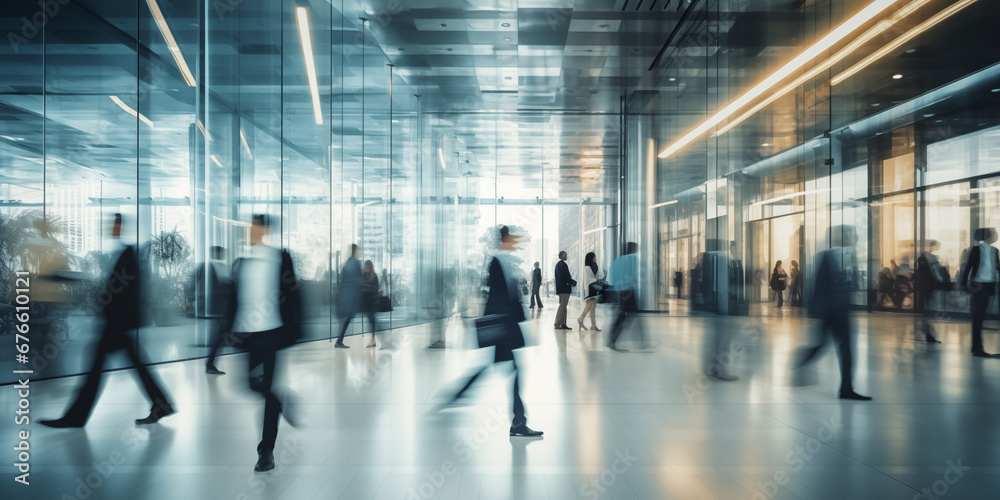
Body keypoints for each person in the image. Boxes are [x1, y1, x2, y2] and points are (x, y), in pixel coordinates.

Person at [40, 214, 176, 428]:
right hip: (117, 325)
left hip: (118, 324)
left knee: (99, 368)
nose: (110, 228)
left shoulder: (128, 253)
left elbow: (125, 291)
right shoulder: (121, 254)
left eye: (114, 224)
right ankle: (162, 405)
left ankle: (76, 417)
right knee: (130, 365)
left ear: (121, 227)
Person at [224, 214, 303, 471]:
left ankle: (266, 451)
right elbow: (235, 300)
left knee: (268, 390)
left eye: (256, 227)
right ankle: (280, 401)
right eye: (250, 227)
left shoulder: (280, 257)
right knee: (248, 383)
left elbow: (293, 294)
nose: (252, 231)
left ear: (265, 230)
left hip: (272, 332)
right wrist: (229, 331)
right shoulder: (243, 262)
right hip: (248, 334)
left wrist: (296, 329)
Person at [446, 226, 542, 437]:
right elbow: (499, 296)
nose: (515, 243)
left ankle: (457, 396)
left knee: (495, 369)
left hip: (504, 327)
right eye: (512, 240)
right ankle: (518, 423)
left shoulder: (502, 260)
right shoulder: (498, 261)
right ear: (505, 239)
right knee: (513, 371)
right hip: (504, 328)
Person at [793, 225, 872, 401]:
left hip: (842, 309)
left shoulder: (851, 256)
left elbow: (851, 282)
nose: (853, 237)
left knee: (846, 349)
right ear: (839, 237)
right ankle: (799, 362)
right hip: (828, 311)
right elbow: (818, 285)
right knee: (822, 345)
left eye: (853, 233)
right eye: (849, 234)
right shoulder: (826, 256)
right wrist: (814, 314)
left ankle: (846, 388)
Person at [959, 228, 1000, 357]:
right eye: (994, 234)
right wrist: (964, 284)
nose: (996, 236)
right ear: (987, 236)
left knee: (980, 315)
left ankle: (977, 347)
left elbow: (997, 267)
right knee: (978, 316)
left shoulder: (995, 251)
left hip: (990, 285)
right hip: (979, 285)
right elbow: (968, 266)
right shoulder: (976, 250)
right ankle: (977, 347)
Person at [202, 246, 233, 374]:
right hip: (219, 309)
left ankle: (210, 364)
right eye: (221, 252)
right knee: (219, 338)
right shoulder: (211, 267)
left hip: (223, 309)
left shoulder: (222, 267)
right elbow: (216, 288)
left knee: (220, 338)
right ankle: (210, 364)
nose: (223, 254)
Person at [607, 242, 643, 351]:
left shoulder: (617, 260)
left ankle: (613, 338)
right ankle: (614, 338)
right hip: (630, 291)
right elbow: (636, 276)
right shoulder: (633, 259)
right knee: (630, 315)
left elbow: (612, 276)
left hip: (620, 291)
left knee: (623, 315)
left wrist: (617, 289)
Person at [914, 246, 944, 344]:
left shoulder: (926, 264)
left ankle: (927, 334)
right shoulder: (924, 262)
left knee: (927, 314)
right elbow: (925, 278)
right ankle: (927, 334)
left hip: (928, 291)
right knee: (927, 313)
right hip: (926, 291)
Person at [335, 244, 363, 348]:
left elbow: (342, 281)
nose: (359, 252)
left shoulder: (346, 264)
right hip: (353, 296)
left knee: (346, 319)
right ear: (354, 251)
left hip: (346, 297)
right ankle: (339, 341)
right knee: (371, 316)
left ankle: (339, 340)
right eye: (358, 250)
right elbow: (359, 280)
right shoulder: (356, 263)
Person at [577, 252, 601, 331]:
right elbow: (589, 278)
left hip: (594, 286)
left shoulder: (594, 265)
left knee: (593, 306)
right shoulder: (587, 267)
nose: (595, 258)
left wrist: (600, 278)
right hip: (590, 287)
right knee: (590, 304)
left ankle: (593, 325)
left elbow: (597, 275)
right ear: (591, 257)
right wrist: (597, 280)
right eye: (594, 256)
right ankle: (581, 318)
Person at [361, 260, 381, 348]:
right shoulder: (364, 276)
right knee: (371, 321)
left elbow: (376, 289)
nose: (366, 269)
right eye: (365, 267)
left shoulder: (374, 276)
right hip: (366, 303)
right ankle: (373, 340)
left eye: (368, 267)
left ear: (371, 267)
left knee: (372, 321)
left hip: (372, 303)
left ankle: (373, 340)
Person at [553, 251, 575, 330]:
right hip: (564, 289)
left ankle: (563, 323)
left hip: (562, 288)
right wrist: (571, 282)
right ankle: (557, 323)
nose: (566, 256)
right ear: (562, 256)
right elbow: (565, 277)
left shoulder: (559, 265)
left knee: (564, 306)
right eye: (565, 255)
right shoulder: (562, 265)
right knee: (562, 305)